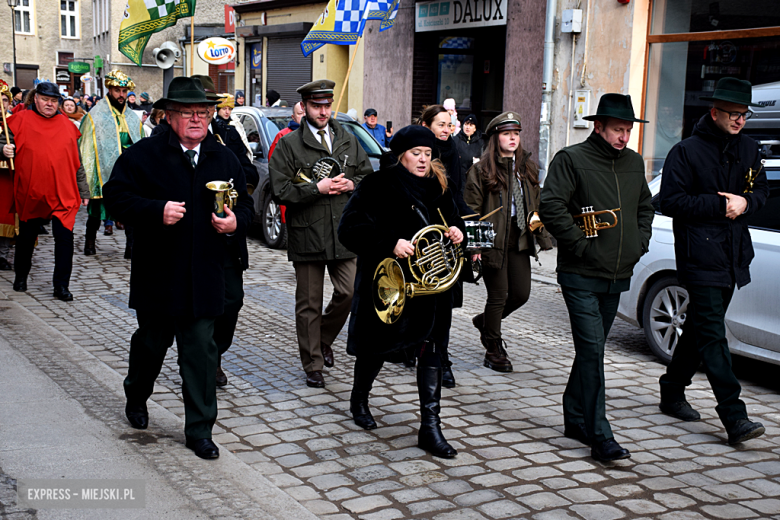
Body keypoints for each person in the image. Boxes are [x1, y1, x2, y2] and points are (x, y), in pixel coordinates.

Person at [103, 76, 254, 460]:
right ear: (169, 116)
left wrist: (236, 223)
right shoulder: (144, 155)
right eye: (186, 113)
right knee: (151, 345)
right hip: (159, 273)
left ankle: (200, 430)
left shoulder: (223, 157)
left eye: (202, 112)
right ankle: (137, 395)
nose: (195, 119)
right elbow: (115, 197)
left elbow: (247, 207)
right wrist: (156, 211)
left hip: (205, 274)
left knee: (201, 352)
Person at [540, 93, 654, 462]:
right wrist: (579, 246)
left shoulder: (634, 162)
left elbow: (645, 207)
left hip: (617, 273)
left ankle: (574, 416)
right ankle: (600, 435)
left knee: (593, 349)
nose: (624, 137)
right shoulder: (571, 159)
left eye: (627, 130)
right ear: (598, 126)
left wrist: (640, 242)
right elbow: (551, 205)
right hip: (580, 273)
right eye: (617, 130)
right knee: (592, 351)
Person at [339, 125, 465, 458]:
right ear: (401, 156)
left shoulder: (439, 187)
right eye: (416, 154)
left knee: (432, 350)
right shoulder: (377, 184)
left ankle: (430, 426)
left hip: (431, 289)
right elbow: (349, 229)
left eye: (427, 154)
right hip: (389, 283)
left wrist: (456, 230)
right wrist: (388, 243)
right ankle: (359, 397)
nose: (423, 160)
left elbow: (454, 217)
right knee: (376, 348)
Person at [658, 78, 768, 445]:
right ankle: (735, 416)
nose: (740, 120)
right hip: (698, 254)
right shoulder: (686, 151)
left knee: (701, 329)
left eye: (744, 114)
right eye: (733, 114)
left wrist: (747, 203)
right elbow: (670, 201)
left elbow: (762, 192)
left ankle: (672, 389)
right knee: (714, 335)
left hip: (734, 256)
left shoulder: (750, 150)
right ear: (714, 112)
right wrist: (721, 205)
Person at [269, 79, 373, 388]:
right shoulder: (289, 144)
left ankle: (324, 337)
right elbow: (280, 189)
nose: (324, 111)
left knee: (349, 292)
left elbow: (367, 177)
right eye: (317, 106)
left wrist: (352, 184)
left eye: (327, 105)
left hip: (343, 230)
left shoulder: (347, 138)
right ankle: (312, 362)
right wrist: (317, 188)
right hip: (308, 232)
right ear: (304, 107)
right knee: (309, 303)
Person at [464, 112, 553, 372]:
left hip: (519, 237)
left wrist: (542, 238)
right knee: (499, 295)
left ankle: (484, 322)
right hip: (492, 240)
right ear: (495, 138)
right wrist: (475, 247)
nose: (512, 138)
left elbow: (534, 208)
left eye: (516, 134)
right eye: (506, 134)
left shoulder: (527, 168)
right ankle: (493, 348)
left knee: (521, 294)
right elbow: (472, 211)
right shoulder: (481, 170)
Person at [193, 75, 259, 388]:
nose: (200, 115)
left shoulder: (226, 136)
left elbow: (246, 179)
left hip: (224, 245)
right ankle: (203, 361)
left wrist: (236, 221)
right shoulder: (158, 144)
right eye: (193, 109)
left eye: (206, 108)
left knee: (231, 301)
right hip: (184, 249)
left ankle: (214, 354)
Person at [1, 82, 90, 300]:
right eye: (45, 100)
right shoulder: (19, 120)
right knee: (26, 238)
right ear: (36, 99)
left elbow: (76, 162)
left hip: (64, 192)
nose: (49, 104)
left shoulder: (68, 126)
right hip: (31, 191)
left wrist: (84, 191)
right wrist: (3, 149)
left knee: (65, 239)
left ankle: (61, 286)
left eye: (53, 100)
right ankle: (21, 276)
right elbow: (3, 143)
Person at [419, 104, 470, 387]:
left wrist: (462, 227)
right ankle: (413, 345)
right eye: (440, 124)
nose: (446, 130)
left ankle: (442, 359)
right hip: (417, 236)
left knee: (444, 302)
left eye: (449, 124)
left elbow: (457, 197)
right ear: (426, 126)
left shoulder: (456, 152)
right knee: (421, 301)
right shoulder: (412, 150)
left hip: (446, 238)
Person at [78, 70, 144, 258]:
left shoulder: (131, 117)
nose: (121, 95)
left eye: (124, 91)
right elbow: (86, 146)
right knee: (96, 209)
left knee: (131, 209)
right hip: (103, 169)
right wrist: (89, 178)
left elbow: (141, 143)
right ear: (109, 89)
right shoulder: (96, 115)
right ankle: (90, 242)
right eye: (117, 91)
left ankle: (131, 247)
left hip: (128, 171)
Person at [0, 86, 16, 271]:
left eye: (4, 100)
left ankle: (2, 255)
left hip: (8, 176)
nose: (1, 104)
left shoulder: (14, 121)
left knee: (6, 216)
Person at [455, 113, 487, 182]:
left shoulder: (480, 143)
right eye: (466, 124)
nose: (468, 127)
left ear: (475, 128)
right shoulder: (455, 140)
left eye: (471, 125)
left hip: (474, 179)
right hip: (458, 179)